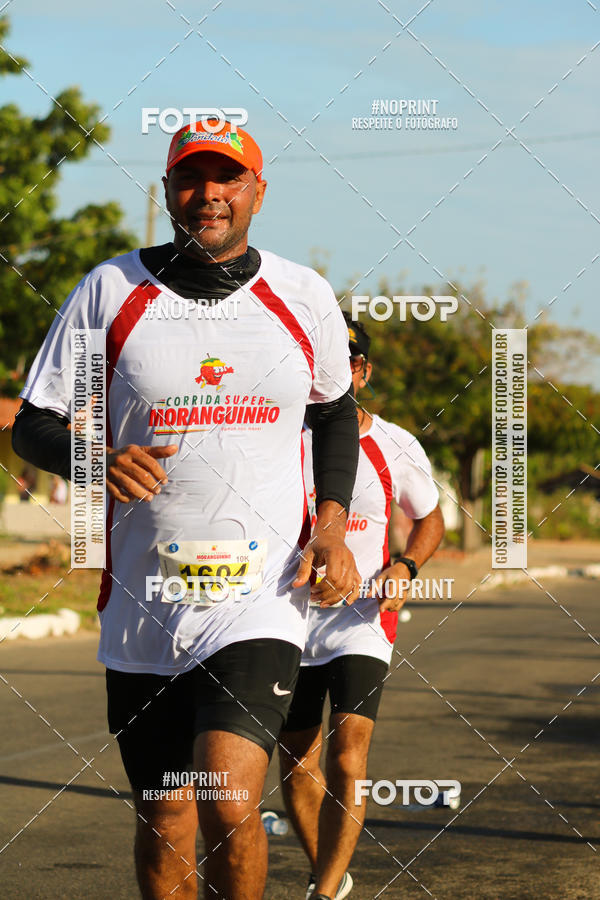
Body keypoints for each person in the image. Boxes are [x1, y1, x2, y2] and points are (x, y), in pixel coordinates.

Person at [12, 118, 363, 900]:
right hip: (145, 603)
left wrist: (332, 524)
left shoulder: (302, 294)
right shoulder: (111, 290)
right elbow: (33, 421)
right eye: (190, 179)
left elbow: (334, 411)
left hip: (260, 597)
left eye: (227, 179)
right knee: (166, 814)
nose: (209, 195)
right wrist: (94, 458)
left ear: (258, 192)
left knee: (227, 798)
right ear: (168, 191)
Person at [279, 315, 445, 900]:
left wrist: (406, 567)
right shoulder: (276, 439)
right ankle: (332, 869)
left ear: (362, 371)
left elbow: (430, 518)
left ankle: (323, 893)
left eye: (348, 360)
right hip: (286, 619)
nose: (337, 370)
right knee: (298, 762)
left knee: (348, 758)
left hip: (362, 620)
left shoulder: (396, 443)